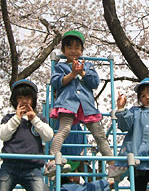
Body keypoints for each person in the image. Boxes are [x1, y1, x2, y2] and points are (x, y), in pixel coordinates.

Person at [47, 30, 112, 177]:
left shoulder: (88, 66)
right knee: (63, 130)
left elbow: (94, 82)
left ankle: (112, 163)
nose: (73, 50)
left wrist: (82, 72)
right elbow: (57, 83)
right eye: (69, 47)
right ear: (63, 50)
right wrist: (73, 74)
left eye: (77, 47)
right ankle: (53, 159)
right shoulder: (60, 67)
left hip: (86, 106)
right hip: (68, 103)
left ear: (82, 50)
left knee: (99, 135)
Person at [0, 79, 54, 191]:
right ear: (15, 100)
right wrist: (17, 118)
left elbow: (48, 136)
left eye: (28, 98)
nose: (24, 101)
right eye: (20, 98)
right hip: (10, 166)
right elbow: (3, 135)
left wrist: (34, 119)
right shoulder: (9, 118)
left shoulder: (40, 119)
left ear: (33, 100)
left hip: (32, 167)